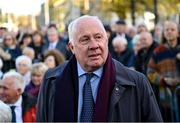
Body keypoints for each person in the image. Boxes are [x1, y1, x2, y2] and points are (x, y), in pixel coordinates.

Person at [36, 15, 162, 122]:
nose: (94, 45)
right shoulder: (51, 80)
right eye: (85, 40)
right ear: (72, 47)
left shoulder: (136, 83)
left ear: (106, 40)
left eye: (98, 37)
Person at [147, 21, 180, 121]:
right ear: (164, 33)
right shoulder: (158, 51)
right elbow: (150, 73)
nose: (169, 32)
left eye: (172, 29)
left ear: (178, 32)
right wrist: (163, 80)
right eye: (167, 30)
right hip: (166, 95)